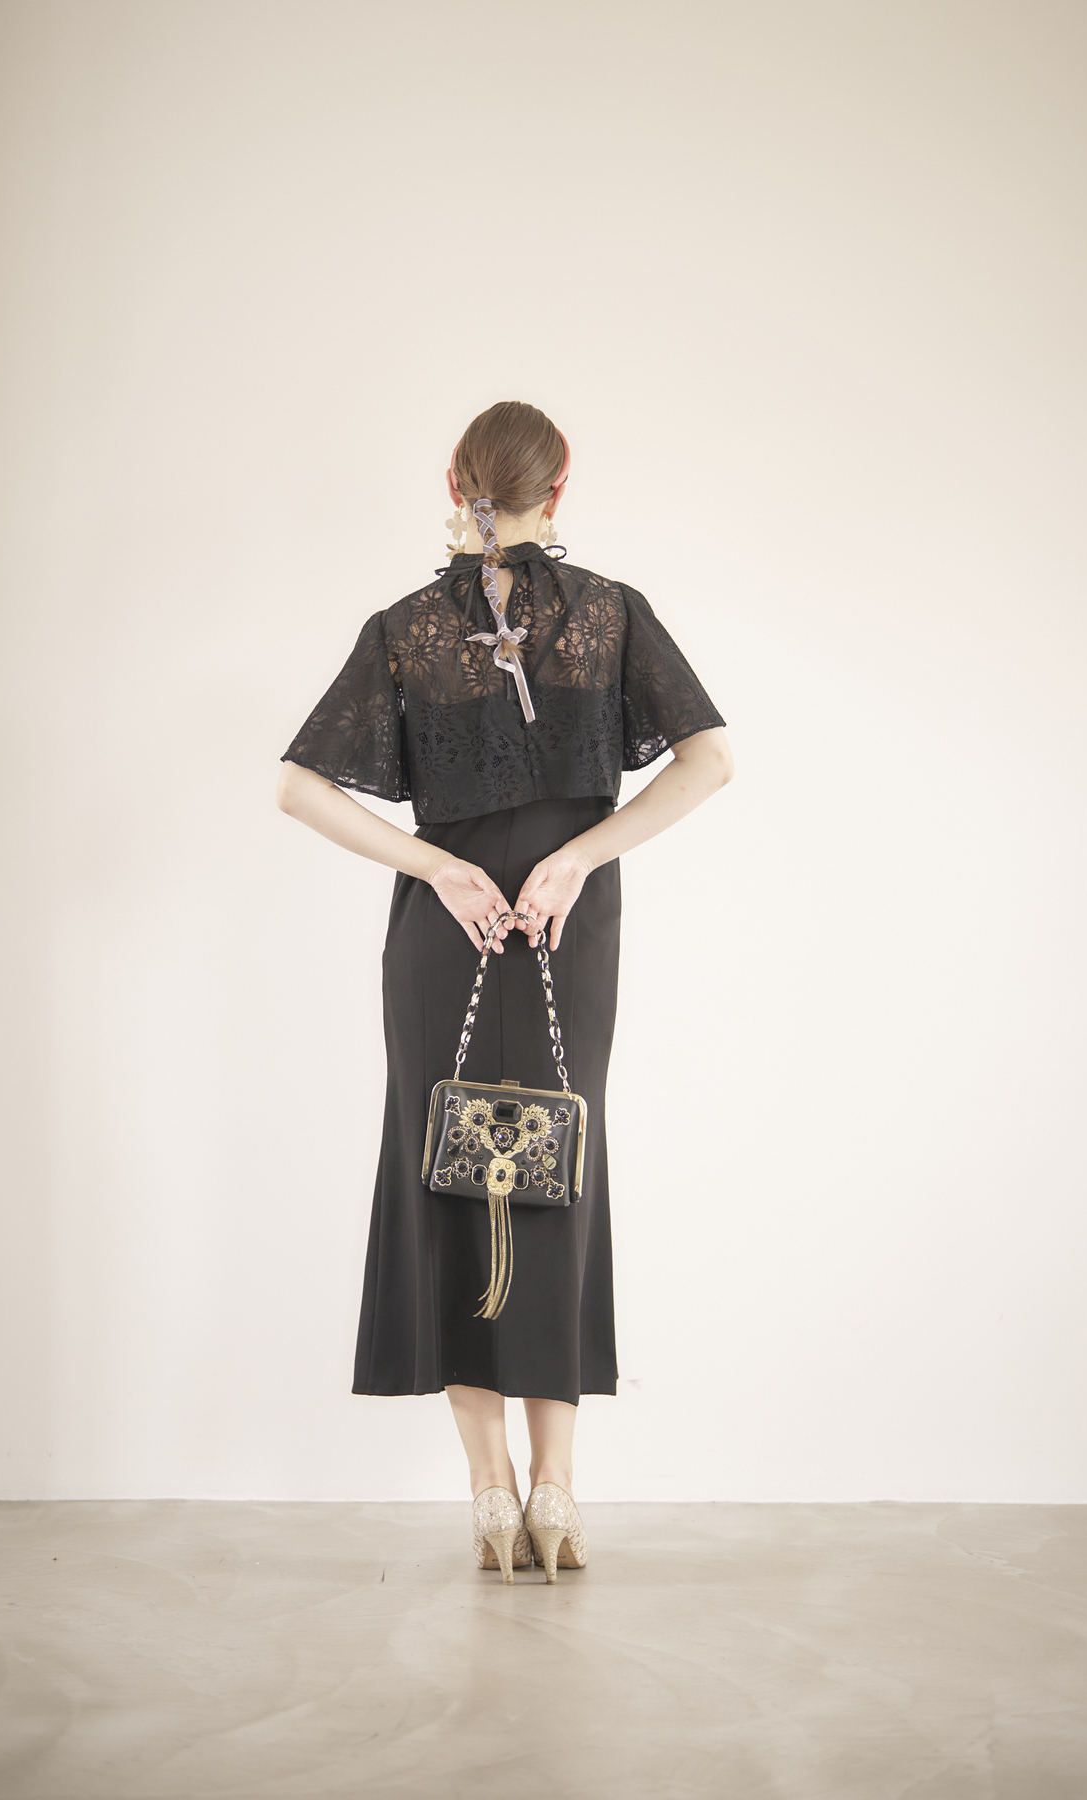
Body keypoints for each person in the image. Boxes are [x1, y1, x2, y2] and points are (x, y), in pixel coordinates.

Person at [276, 402, 733, 1582]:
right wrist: (580, 858)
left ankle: (490, 1497)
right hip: (568, 933)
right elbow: (711, 759)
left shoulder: (406, 628)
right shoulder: (610, 615)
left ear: (454, 484)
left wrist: (436, 867)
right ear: (559, 489)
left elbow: (298, 787)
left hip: (449, 936)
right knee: (556, 1170)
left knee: (446, 1172)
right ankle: (556, 1493)